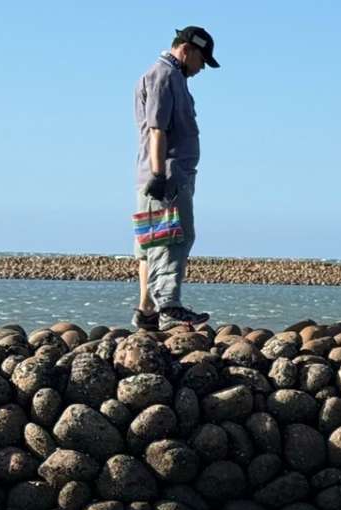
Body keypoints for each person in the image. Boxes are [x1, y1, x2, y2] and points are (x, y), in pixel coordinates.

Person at [132, 26, 220, 330]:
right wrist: (159, 174)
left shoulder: (168, 77)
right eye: (202, 60)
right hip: (167, 175)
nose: (201, 68)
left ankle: (147, 309)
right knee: (173, 239)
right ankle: (168, 307)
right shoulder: (165, 76)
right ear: (187, 49)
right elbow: (158, 129)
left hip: (159, 172)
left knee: (151, 242)